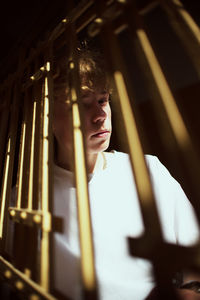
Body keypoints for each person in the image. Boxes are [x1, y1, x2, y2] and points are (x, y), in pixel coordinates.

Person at [52, 47, 200, 300]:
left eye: (103, 100)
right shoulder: (23, 201)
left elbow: (193, 260)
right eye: (81, 104)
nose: (100, 116)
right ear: (46, 117)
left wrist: (190, 291)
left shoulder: (148, 170)